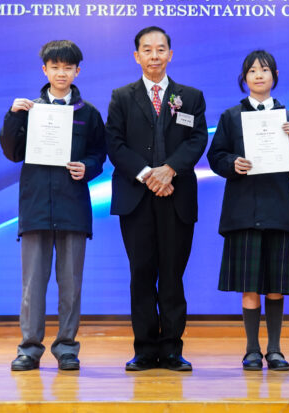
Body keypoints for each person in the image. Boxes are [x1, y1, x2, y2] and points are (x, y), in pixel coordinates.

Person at [0, 40, 107, 372]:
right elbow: (12, 152)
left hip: (73, 208)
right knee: (32, 284)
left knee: (71, 285)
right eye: (55, 67)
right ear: (44, 70)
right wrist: (13, 116)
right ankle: (29, 349)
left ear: (77, 71)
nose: (61, 73)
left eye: (68, 67)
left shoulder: (88, 113)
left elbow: (99, 155)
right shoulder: (28, 110)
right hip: (35, 208)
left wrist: (87, 168)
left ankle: (67, 348)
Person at [106, 26, 208, 371]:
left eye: (160, 49)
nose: (154, 56)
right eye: (147, 50)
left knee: (173, 275)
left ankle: (172, 349)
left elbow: (196, 140)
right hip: (136, 198)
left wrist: (170, 170)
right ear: (137, 56)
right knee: (141, 273)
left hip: (176, 196)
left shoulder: (189, 97)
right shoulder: (121, 97)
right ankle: (145, 350)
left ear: (170, 55)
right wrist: (148, 174)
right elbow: (115, 144)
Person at [207, 50, 289, 371]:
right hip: (243, 212)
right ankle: (252, 349)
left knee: (276, 286)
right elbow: (215, 156)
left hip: (278, 210)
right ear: (245, 78)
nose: (258, 75)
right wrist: (232, 163)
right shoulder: (230, 117)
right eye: (252, 71)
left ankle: (275, 350)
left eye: (264, 70)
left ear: (274, 76)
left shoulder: (287, 117)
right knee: (249, 285)